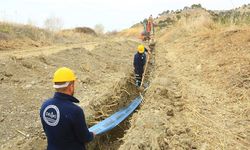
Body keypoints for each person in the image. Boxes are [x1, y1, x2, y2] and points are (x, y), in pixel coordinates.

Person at [40, 67, 95, 150]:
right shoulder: (75, 111)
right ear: (71, 86)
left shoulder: (45, 106)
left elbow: (48, 130)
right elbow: (84, 138)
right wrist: (91, 135)